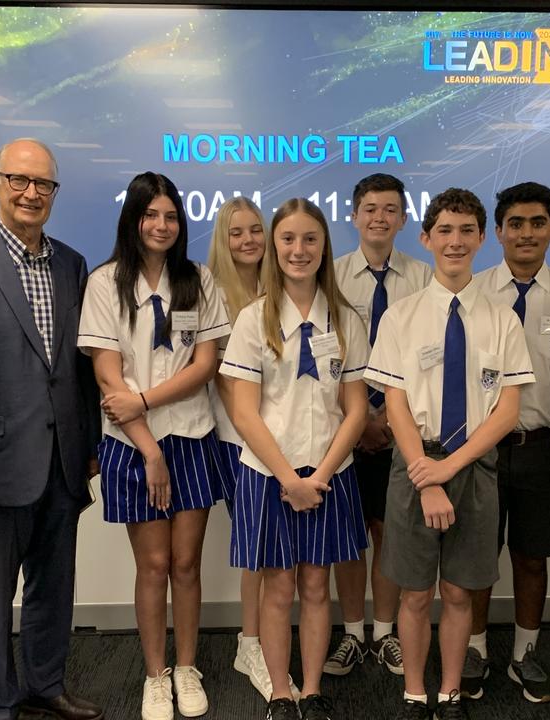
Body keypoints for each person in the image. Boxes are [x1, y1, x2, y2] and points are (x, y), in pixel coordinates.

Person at [0, 139, 103, 720]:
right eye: (20, 180)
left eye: (45, 184)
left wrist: (90, 445)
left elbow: (78, 365)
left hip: (62, 457)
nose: (32, 193)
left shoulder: (71, 263)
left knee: (53, 587)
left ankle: (45, 685)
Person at [365, 188, 535, 720]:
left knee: (460, 594)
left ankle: (452, 691)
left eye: (466, 231)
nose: (455, 241)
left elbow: (507, 412)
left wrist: (452, 468)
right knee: (415, 594)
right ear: (425, 237)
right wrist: (428, 477)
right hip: (415, 465)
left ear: (482, 239)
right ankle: (416, 691)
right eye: (444, 231)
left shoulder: (502, 319)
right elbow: (394, 405)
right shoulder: (401, 316)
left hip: (475, 465)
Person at [77, 172, 230, 720]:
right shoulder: (105, 284)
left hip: (191, 434)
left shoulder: (200, 280)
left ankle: (187, 670)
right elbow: (105, 373)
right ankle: (155, 675)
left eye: (170, 216)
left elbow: (206, 365)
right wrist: (149, 448)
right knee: (153, 565)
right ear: (133, 220)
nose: (161, 226)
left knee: (186, 564)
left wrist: (144, 399)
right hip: (133, 445)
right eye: (151, 215)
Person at [220, 197, 370, 720]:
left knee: (315, 584)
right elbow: (243, 411)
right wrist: (290, 478)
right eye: (288, 239)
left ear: (325, 245)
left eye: (310, 239)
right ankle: (280, 693)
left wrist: (320, 477)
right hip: (269, 475)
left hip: (330, 474)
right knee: (279, 585)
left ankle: (312, 689)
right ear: (273, 247)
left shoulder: (347, 319)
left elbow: (354, 410)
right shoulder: (250, 320)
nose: (298, 250)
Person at [465, 181, 550, 703]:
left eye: (537, 223)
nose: (526, 233)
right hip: (482, 447)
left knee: (531, 557)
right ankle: (475, 649)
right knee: (475, 556)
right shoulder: (472, 292)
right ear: (497, 232)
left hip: (542, 446)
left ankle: (525, 655)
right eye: (515, 223)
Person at [328, 173, 431, 677]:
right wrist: (359, 420)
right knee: (350, 534)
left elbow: (429, 362)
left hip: (402, 430)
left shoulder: (425, 278)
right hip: (343, 429)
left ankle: (385, 632)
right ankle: (351, 633)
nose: (379, 218)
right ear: (353, 215)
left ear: (404, 218)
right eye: (369, 208)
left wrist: (387, 420)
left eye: (390, 209)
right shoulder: (330, 275)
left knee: (390, 532)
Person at [206, 196, 300, 701]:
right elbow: (225, 382)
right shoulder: (213, 292)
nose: (247, 241)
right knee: (257, 550)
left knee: (266, 550)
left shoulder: (278, 287)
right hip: (237, 441)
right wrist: (255, 435)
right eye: (236, 232)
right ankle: (251, 643)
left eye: (256, 231)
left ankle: (258, 640)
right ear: (223, 238)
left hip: (280, 443)